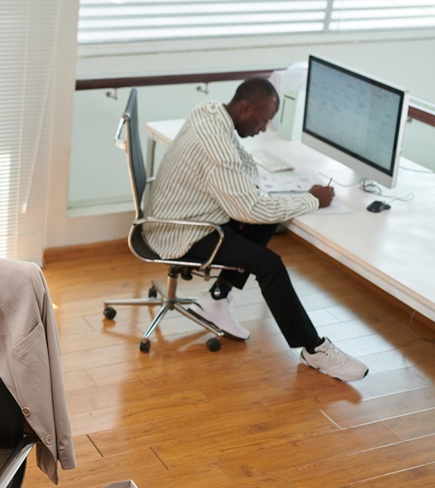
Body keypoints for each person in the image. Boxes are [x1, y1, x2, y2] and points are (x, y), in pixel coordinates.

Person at [144, 77, 368, 382]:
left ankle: (216, 299)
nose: (263, 128)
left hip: (179, 213)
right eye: (264, 120)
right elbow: (249, 208)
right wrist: (310, 200)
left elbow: (241, 169)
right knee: (269, 264)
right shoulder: (219, 147)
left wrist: (280, 195)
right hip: (181, 232)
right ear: (246, 107)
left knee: (267, 220)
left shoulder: (209, 111)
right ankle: (314, 350)